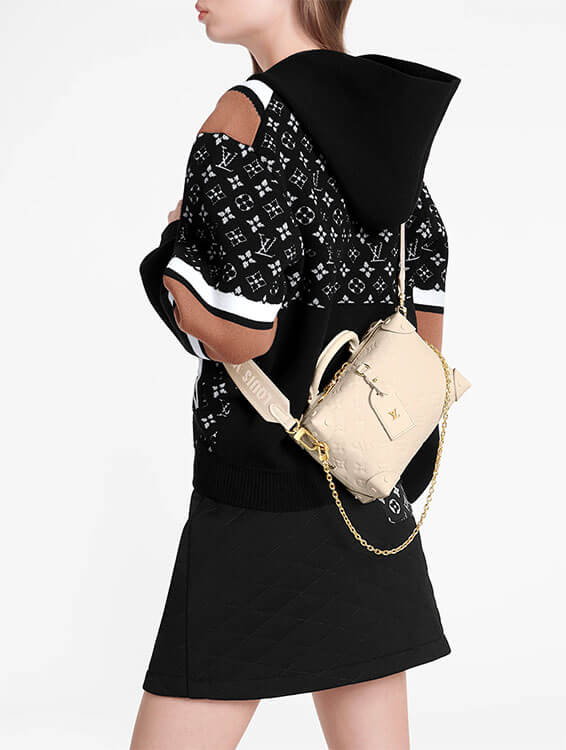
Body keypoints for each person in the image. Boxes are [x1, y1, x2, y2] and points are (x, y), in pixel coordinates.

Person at [132, 1, 460, 747]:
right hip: (368, 494)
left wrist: (171, 255)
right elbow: (425, 326)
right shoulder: (392, 124)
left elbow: (237, 330)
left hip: (259, 497)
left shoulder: (245, 120)